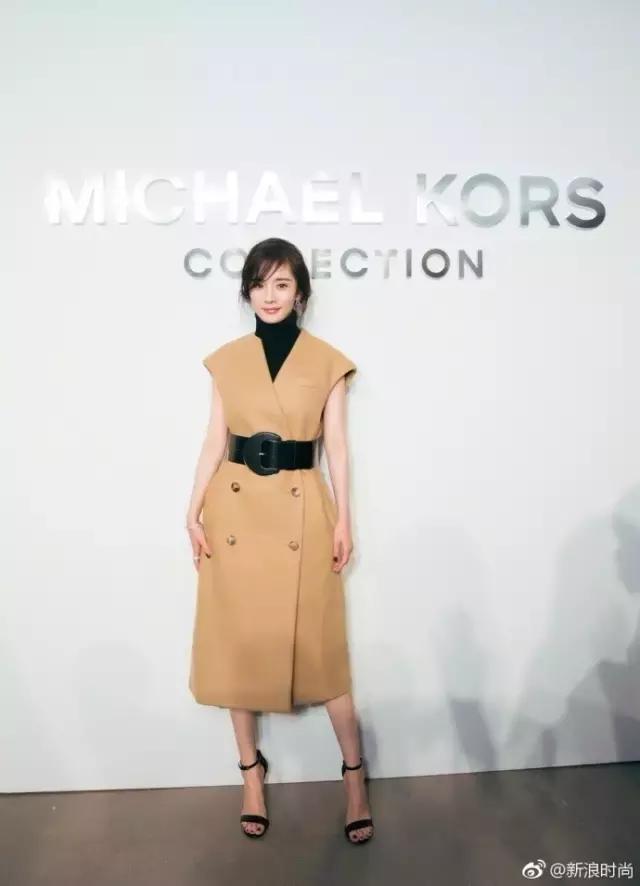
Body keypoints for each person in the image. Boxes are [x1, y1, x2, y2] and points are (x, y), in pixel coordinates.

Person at [186, 237, 374, 844]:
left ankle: (353, 775)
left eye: (282, 284)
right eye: (260, 284)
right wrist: (192, 509)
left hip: (303, 508)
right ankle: (251, 774)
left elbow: (337, 447)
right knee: (236, 648)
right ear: (247, 292)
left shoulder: (327, 361)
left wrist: (345, 519)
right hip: (235, 511)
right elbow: (214, 441)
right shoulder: (227, 361)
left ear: (301, 293)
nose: (270, 296)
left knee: (323, 652)